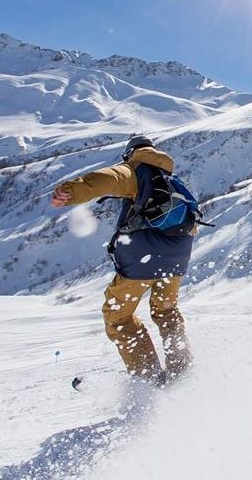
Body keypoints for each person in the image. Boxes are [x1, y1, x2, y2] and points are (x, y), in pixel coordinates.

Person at [51, 136, 194, 386]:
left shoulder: (135, 170)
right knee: (166, 311)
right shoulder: (172, 179)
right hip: (177, 258)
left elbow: (108, 179)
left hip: (142, 259)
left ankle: (148, 378)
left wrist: (71, 191)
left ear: (130, 153)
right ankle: (181, 371)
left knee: (118, 318)